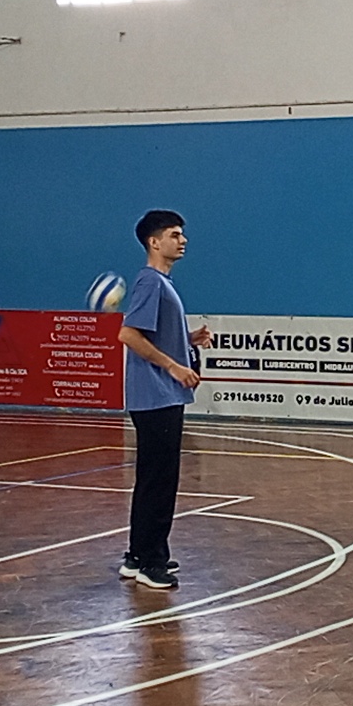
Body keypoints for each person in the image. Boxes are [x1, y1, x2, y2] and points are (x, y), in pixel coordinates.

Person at [115, 210, 214, 590]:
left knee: (151, 478)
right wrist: (174, 366)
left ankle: (138, 554)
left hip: (159, 396)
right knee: (160, 481)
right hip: (157, 396)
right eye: (174, 234)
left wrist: (187, 339)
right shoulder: (150, 282)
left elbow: (154, 334)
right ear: (154, 242)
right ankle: (151, 563)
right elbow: (129, 335)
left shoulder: (161, 283)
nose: (182, 240)